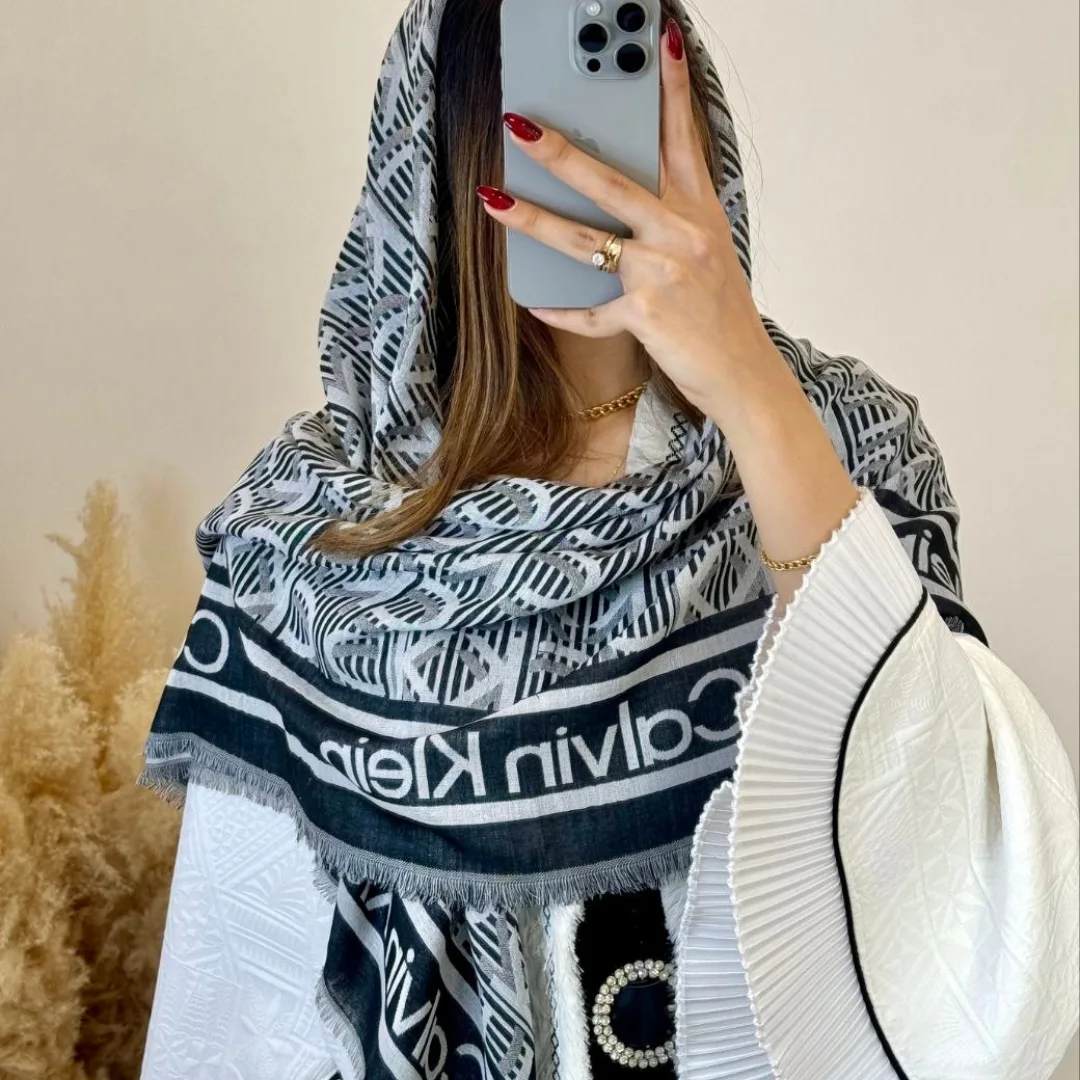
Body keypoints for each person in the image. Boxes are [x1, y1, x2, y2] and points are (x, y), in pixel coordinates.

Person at [138, 1, 1080, 1078]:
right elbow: (245, 1006)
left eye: (624, 76)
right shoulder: (312, 529)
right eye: (547, 108)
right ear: (444, 159)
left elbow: (977, 932)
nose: (588, 149)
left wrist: (754, 400)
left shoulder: (842, 443)